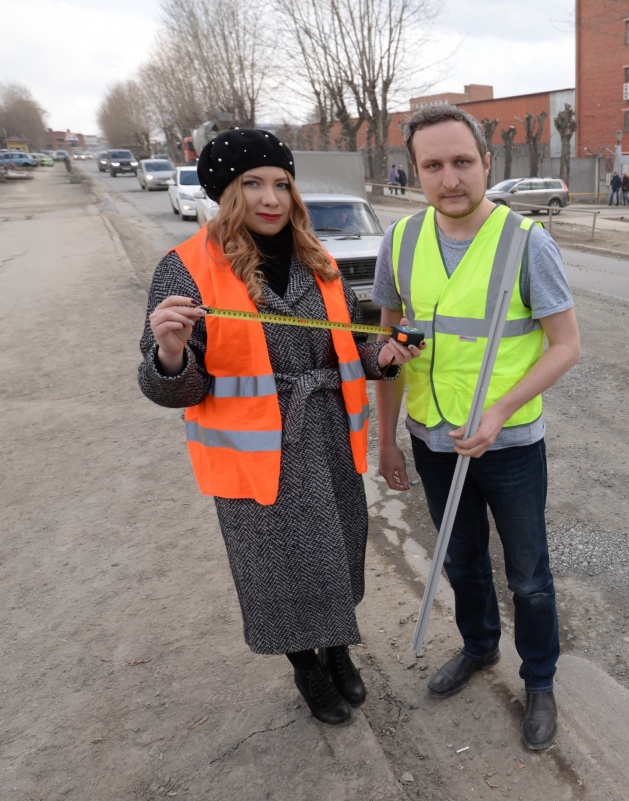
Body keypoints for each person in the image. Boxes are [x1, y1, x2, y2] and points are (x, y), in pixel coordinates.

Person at [138, 129, 419, 727]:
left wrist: (385, 355)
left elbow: (343, 350)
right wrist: (169, 354)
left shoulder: (318, 261)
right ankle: (306, 668)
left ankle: (338, 651)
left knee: (336, 555)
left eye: (282, 184)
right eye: (253, 185)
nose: (271, 198)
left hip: (326, 440)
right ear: (224, 192)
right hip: (256, 456)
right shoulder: (183, 269)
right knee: (280, 570)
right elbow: (171, 387)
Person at [371, 105, 580, 751]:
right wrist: (386, 438)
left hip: (509, 443)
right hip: (432, 438)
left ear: (486, 164)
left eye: (463, 161)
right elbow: (387, 346)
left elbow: (566, 344)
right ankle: (480, 646)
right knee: (460, 558)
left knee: (527, 574)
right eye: (433, 165)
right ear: (416, 171)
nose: (450, 178)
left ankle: (539, 679)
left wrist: (499, 411)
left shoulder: (526, 241)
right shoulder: (399, 242)